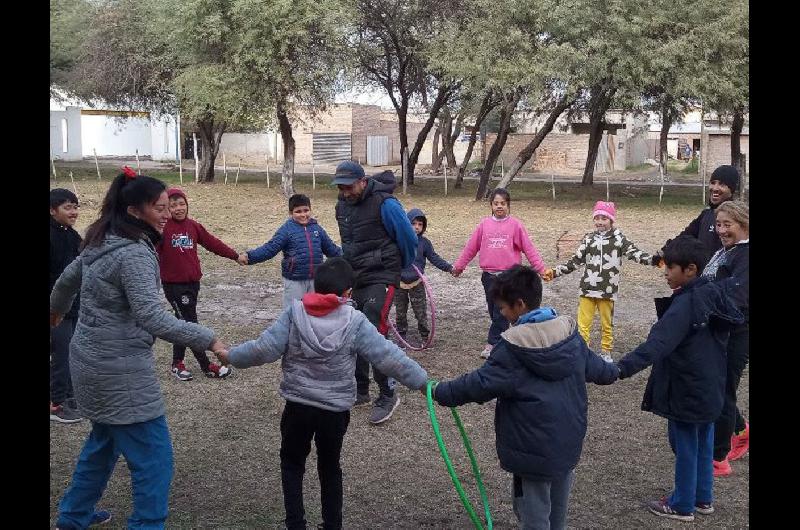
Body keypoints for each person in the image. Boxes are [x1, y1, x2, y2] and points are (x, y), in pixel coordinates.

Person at [50, 167, 227, 530]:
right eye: (159, 208)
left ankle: (73, 517)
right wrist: (207, 338)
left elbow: (66, 280)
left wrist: (56, 310)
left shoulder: (103, 237)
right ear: (135, 211)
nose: (167, 214)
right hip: (118, 371)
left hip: (88, 362)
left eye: (168, 206)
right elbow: (154, 319)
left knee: (102, 443)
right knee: (154, 459)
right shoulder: (134, 254)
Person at [215, 258, 427, 530]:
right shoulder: (356, 321)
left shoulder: (295, 313)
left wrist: (231, 356)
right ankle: (332, 525)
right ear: (348, 292)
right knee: (330, 467)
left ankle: (295, 524)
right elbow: (388, 356)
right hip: (334, 411)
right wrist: (422, 382)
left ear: (316, 287)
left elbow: (263, 349)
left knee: (292, 464)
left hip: (298, 407)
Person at [430, 265, 618, 529]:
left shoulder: (513, 347)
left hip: (532, 447)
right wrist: (616, 370)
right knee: (557, 504)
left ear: (519, 305)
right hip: (567, 439)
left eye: (504, 308)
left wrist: (442, 391)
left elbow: (481, 383)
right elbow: (599, 369)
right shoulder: (569, 335)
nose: (502, 314)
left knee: (533, 511)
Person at [616, 236, 744, 522]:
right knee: (703, 440)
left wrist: (622, 368)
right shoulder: (714, 294)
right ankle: (702, 497)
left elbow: (658, 343)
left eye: (670, 268)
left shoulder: (685, 305)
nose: (665, 273)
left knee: (684, 442)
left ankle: (682, 503)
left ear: (690, 270)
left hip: (687, 387)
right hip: (711, 384)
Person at [333, 161, 418, 424]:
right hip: (356, 276)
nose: (344, 192)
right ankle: (360, 391)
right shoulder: (342, 206)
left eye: (348, 187)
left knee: (372, 330)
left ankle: (387, 393)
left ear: (362, 181)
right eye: (340, 188)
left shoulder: (386, 204)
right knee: (353, 329)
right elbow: (348, 243)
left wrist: (398, 268)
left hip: (382, 275)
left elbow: (409, 239)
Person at [543, 201, 660, 362]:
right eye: (597, 218)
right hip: (587, 289)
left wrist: (654, 260)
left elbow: (635, 253)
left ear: (611, 220)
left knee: (607, 324)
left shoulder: (619, 239)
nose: (600, 222)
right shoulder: (588, 239)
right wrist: (555, 272)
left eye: (604, 218)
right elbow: (575, 262)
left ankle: (606, 352)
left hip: (607, 290)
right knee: (583, 324)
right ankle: (583, 352)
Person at [451, 188, 546, 358]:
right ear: (491, 205)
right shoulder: (484, 225)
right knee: (494, 310)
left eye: (503, 203)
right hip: (489, 276)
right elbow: (471, 248)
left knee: (500, 312)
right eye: (496, 203)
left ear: (508, 205)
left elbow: (529, 249)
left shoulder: (515, 225)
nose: (499, 206)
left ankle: (493, 344)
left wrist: (541, 269)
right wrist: (459, 266)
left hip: (509, 277)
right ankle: (512, 335)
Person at [157, 187, 239, 381]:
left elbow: (212, 242)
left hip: (192, 284)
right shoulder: (163, 228)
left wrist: (235, 255)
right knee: (189, 324)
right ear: (167, 208)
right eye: (173, 205)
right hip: (173, 285)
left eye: (182, 204)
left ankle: (177, 364)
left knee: (183, 324)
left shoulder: (193, 226)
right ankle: (207, 366)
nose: (178, 208)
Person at [701, 201, 750, 476]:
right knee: (717, 387)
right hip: (719, 331)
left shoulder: (744, 255)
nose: (721, 230)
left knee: (722, 390)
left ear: (743, 225)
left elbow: (738, 297)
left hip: (736, 333)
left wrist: (708, 301)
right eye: (718, 224)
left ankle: (719, 456)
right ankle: (740, 429)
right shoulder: (726, 251)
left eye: (727, 225)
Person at [240, 193, 342, 307]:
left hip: (315, 280)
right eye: (298, 211)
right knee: (293, 312)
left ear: (311, 210)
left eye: (306, 210)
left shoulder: (317, 229)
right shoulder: (286, 230)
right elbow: (270, 248)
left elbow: (331, 250)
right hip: (294, 281)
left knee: (315, 310)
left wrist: (350, 256)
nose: (303, 215)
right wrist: (250, 256)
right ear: (290, 213)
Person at [50, 188, 83, 423]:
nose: (73, 212)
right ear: (52, 211)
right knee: (60, 354)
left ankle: (70, 396)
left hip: (73, 306)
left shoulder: (71, 235)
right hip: (54, 309)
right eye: (67, 207)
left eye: (75, 207)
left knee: (72, 352)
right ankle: (56, 403)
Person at [394, 208, 452, 341]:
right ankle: (401, 335)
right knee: (400, 312)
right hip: (400, 283)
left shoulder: (424, 243)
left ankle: (425, 336)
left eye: (420, 224)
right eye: (413, 223)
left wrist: (449, 268)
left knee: (420, 312)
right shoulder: (399, 241)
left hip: (417, 283)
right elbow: (389, 258)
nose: (416, 227)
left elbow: (434, 258)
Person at [661, 164, 739, 254]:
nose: (715, 188)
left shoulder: (737, 218)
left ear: (732, 190)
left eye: (722, 184)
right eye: (713, 183)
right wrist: (665, 250)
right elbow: (686, 237)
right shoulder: (706, 214)